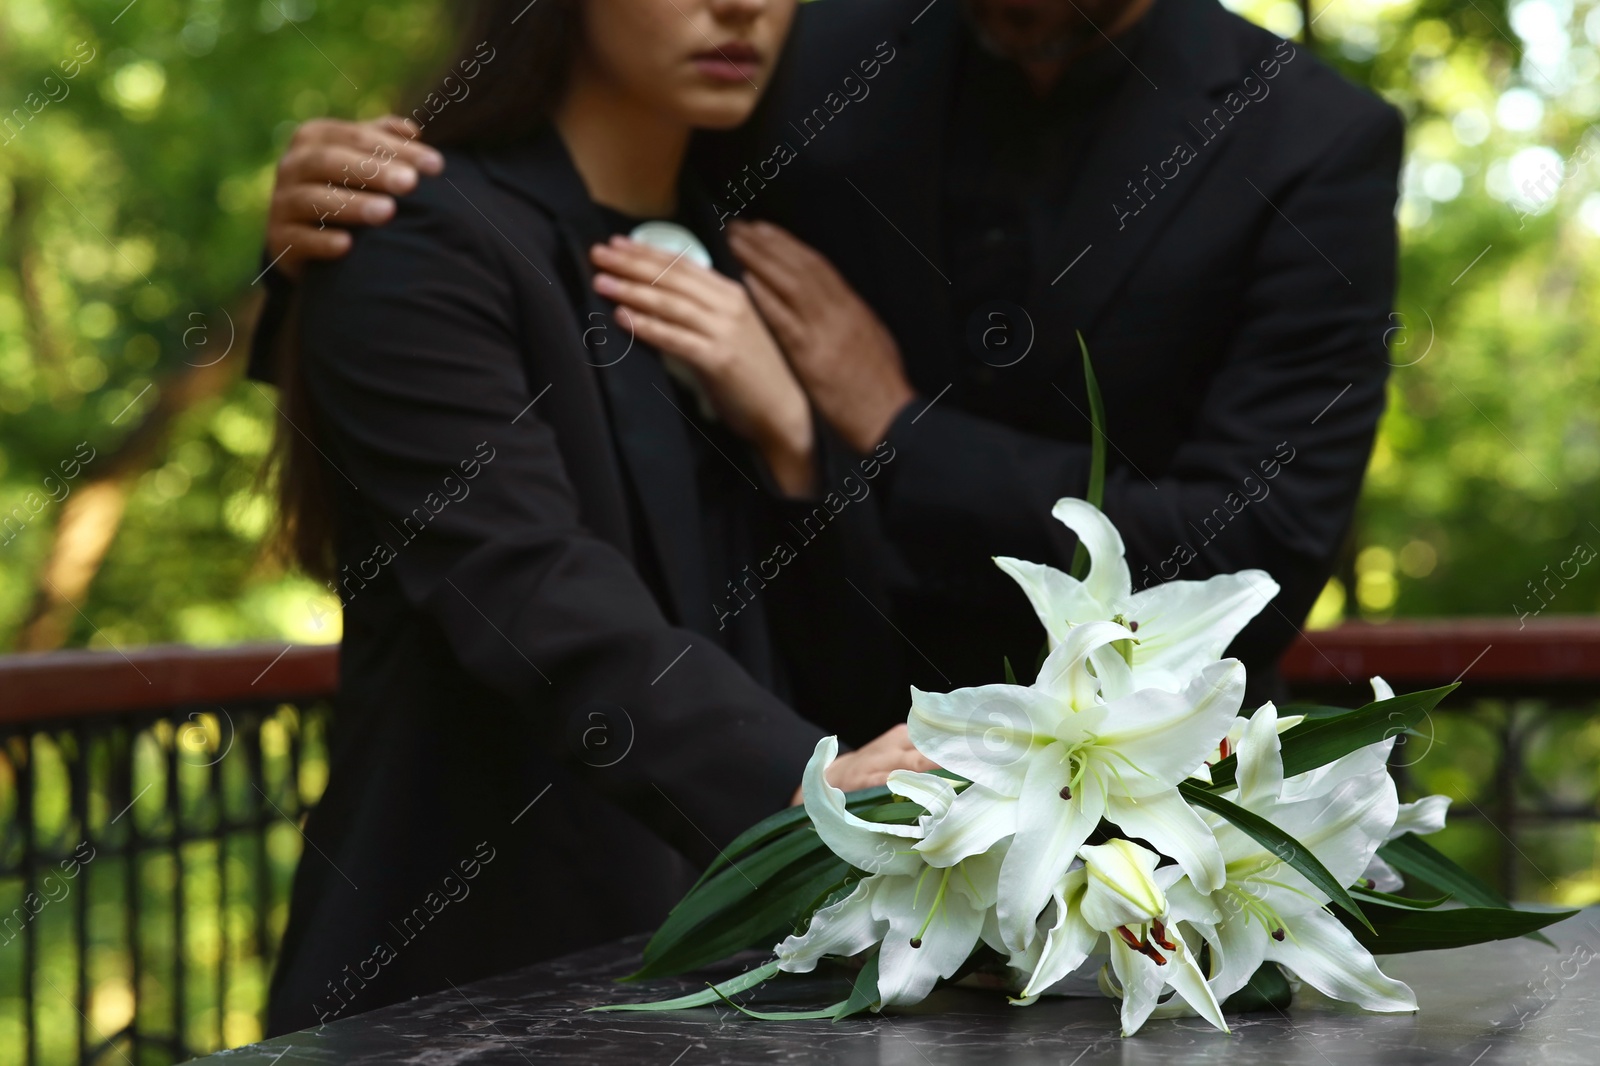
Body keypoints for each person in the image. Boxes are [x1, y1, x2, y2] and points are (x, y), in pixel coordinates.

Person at [259, 0, 1403, 719]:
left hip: (1140, 820)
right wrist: (342, 229)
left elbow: (1251, 561)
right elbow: (576, 211)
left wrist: (892, 426)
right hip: (774, 800)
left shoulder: (1310, 143)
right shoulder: (802, 54)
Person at [258, 0, 932, 1035]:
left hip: (745, 985)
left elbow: (829, 645)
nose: (743, 6)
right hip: (468, 987)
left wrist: (796, 436)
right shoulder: (413, 235)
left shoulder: (763, 261)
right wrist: (796, 787)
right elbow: (526, 583)